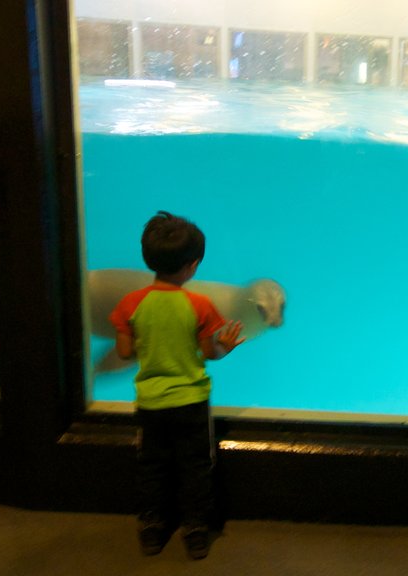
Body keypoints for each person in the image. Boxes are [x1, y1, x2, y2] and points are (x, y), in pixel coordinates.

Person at [110, 211, 245, 559]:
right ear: (193, 265)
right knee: (195, 465)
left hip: (150, 402)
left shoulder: (130, 304)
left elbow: (124, 353)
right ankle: (196, 530)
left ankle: (152, 529)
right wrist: (226, 346)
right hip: (191, 402)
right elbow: (209, 353)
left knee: (152, 464)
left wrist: (149, 338)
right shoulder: (199, 305)